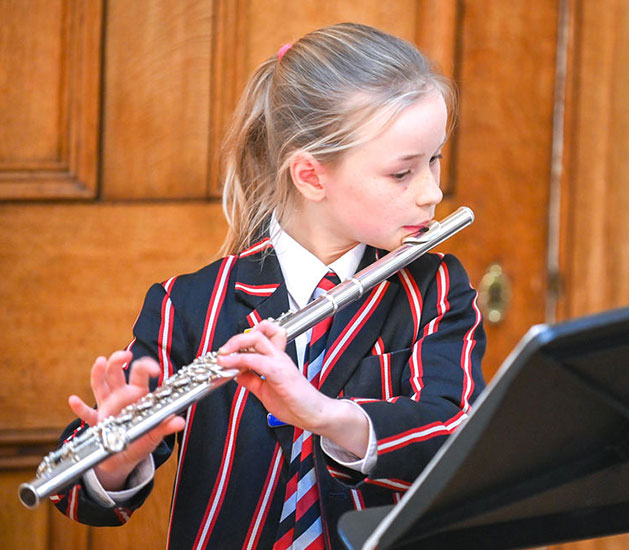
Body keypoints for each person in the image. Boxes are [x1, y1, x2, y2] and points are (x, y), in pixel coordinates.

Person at [54, 22, 486, 550]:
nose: (432, 192)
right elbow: (78, 499)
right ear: (310, 176)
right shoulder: (190, 304)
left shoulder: (435, 290)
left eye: (434, 160)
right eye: (403, 173)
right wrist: (119, 452)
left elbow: (458, 439)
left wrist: (325, 415)